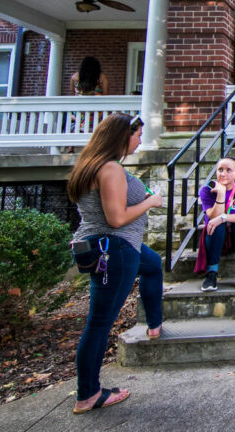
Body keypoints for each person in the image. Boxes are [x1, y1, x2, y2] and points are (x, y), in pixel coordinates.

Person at [66, 113, 162, 414]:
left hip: (109, 245)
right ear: (122, 136)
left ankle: (154, 324)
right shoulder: (109, 169)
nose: (139, 141)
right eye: (136, 135)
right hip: (114, 249)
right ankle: (88, 394)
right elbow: (117, 218)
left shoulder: (91, 165)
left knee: (154, 263)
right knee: (98, 323)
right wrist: (150, 201)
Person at [197, 156, 235, 292]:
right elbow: (212, 216)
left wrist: (224, 217)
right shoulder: (207, 190)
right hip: (214, 237)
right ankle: (211, 273)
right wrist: (220, 195)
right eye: (220, 170)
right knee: (217, 225)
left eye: (228, 170)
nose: (223, 174)